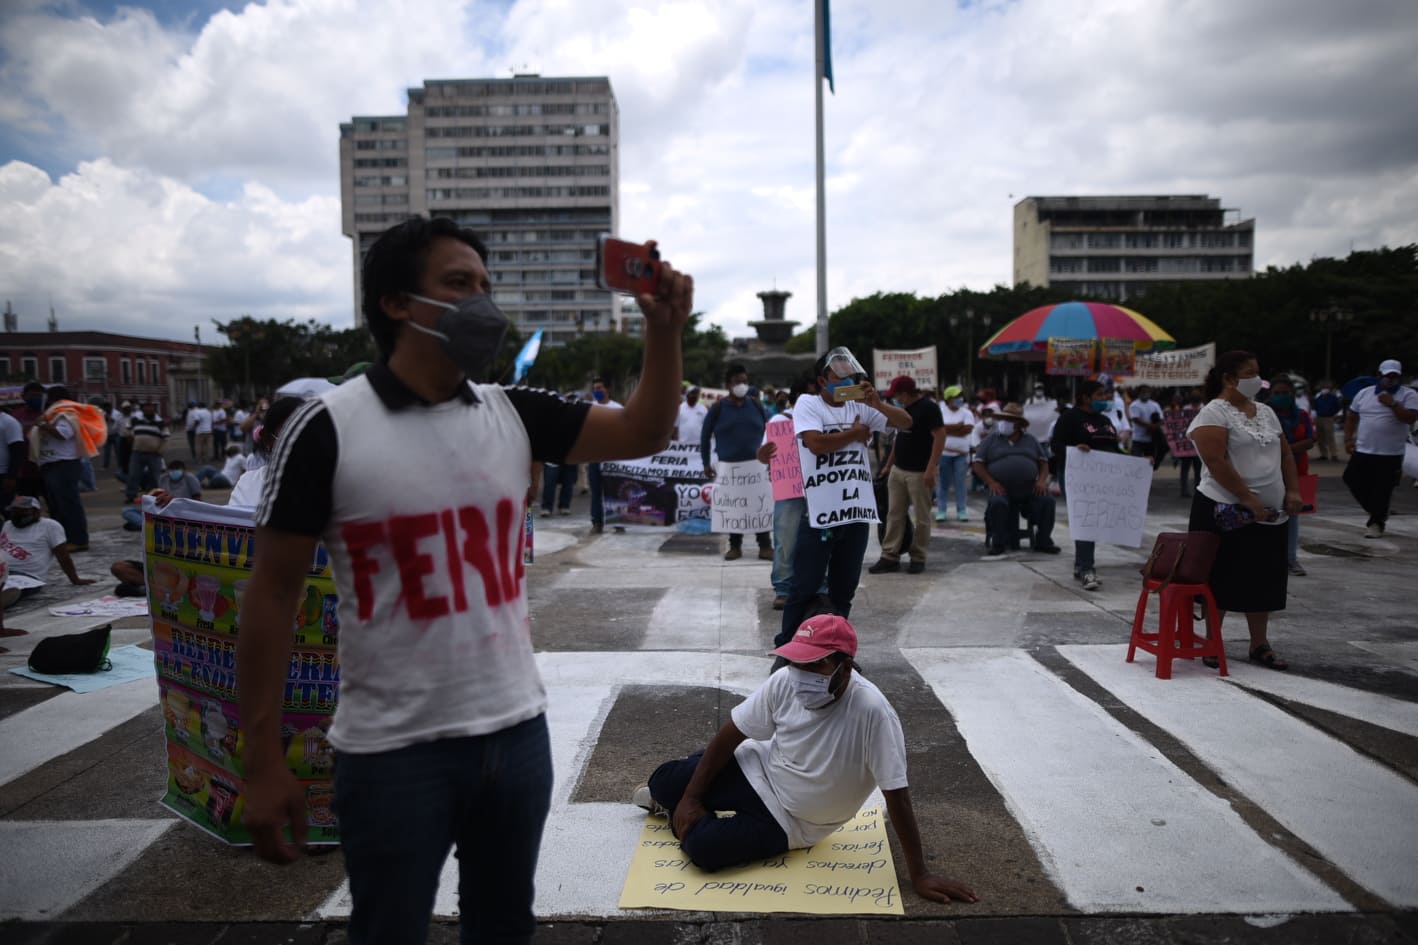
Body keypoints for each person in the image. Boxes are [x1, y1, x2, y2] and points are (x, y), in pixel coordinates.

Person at [235, 216, 692, 945]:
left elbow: (643, 431)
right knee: (390, 929)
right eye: (458, 284)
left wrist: (665, 330)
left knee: (505, 925)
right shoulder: (326, 427)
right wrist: (259, 758)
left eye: (484, 284)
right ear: (395, 303)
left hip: (516, 736)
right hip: (392, 751)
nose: (482, 301)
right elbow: (270, 595)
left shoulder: (511, 411)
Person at [633, 614, 978, 904]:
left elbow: (897, 794)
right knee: (662, 782)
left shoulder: (873, 713)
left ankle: (692, 808)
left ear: (844, 667)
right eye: (796, 661)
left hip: (793, 821)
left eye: (815, 664)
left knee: (703, 849)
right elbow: (733, 732)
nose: (801, 673)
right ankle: (689, 796)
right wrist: (691, 798)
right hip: (759, 768)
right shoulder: (784, 680)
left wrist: (920, 874)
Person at [1186, 350, 1303, 671]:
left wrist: (1292, 490)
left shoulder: (1265, 412)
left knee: (1264, 576)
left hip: (1271, 512)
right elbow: (1216, 461)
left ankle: (1259, 643)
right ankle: (1213, 640)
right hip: (1225, 507)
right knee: (1221, 574)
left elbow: (1286, 456)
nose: (1256, 379)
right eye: (1250, 373)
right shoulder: (1213, 413)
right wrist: (1247, 498)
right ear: (1229, 378)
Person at [756, 376, 819, 610]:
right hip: (790, 490)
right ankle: (783, 588)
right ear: (798, 398)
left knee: (821, 540)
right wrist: (763, 453)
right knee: (785, 539)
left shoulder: (822, 418)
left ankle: (820, 586)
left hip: (820, 489)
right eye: (811, 394)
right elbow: (764, 456)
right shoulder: (780, 420)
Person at [869, 376, 944, 574]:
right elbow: (899, 438)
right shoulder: (903, 411)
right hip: (899, 470)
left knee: (921, 517)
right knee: (894, 514)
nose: (895, 399)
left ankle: (918, 556)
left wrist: (931, 468)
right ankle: (889, 555)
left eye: (896, 396)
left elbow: (940, 437)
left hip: (920, 472)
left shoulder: (929, 408)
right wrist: (888, 465)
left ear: (904, 393)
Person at [1051, 380, 1120, 591]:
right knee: (1086, 519)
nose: (1103, 399)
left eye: (1105, 395)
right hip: (1077, 476)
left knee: (1094, 520)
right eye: (1099, 395)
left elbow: (1115, 448)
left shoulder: (1105, 419)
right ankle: (1086, 568)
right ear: (1085, 397)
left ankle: (1081, 563)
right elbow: (1056, 446)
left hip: (1103, 479)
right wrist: (1074, 449)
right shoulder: (1069, 418)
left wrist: (1140, 461)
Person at [701, 365, 771, 561]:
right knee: (734, 509)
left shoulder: (757, 405)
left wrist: (771, 458)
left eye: (745, 381)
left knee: (760, 507)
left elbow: (769, 430)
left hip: (757, 467)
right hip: (729, 469)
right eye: (738, 381)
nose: (742, 385)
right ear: (728, 385)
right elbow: (705, 436)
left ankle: (765, 546)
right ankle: (735, 547)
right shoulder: (718, 408)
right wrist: (706, 462)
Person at [1343, 359, 1418, 539]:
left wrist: (1392, 404)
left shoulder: (1408, 395)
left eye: (1394, 376)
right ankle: (1377, 511)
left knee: (1382, 488)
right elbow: (1352, 417)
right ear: (1378, 376)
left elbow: (1409, 419)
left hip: (1390, 452)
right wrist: (1348, 439)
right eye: (1387, 376)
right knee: (1351, 479)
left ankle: (1376, 522)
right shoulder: (1364, 394)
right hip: (1364, 449)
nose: (1390, 380)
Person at [971, 403, 1059, 557]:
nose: (1005, 423)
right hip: (1000, 488)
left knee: (1047, 501)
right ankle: (999, 543)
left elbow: (1043, 462)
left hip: (1028, 488)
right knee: (997, 503)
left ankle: (1044, 541)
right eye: (1004, 419)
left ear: (1018, 424)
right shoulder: (991, 439)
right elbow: (978, 463)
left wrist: (1041, 481)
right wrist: (991, 482)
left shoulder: (1031, 440)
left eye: (1010, 420)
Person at [34, 385, 103, 552]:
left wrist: (43, 425)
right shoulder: (54, 415)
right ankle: (61, 540)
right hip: (51, 463)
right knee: (56, 505)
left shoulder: (67, 415)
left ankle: (78, 539)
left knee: (68, 504)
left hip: (65, 463)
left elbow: (62, 434)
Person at [0, 496, 95, 608]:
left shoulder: (50, 526)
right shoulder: (8, 525)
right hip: (3, 569)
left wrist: (75, 579)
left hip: (26, 576)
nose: (17, 514)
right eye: (14, 510)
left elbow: (63, 556)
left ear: (36, 511)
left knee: (10, 590)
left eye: (23, 510)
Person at [1269, 377, 1314, 576]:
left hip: (1297, 469)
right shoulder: (1263, 413)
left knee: (1292, 514)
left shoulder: (1302, 415)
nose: (1281, 397)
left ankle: (1290, 559)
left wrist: (1287, 450)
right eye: (1277, 393)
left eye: (1285, 392)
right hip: (1269, 469)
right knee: (1268, 512)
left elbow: (1310, 440)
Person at [226, 397, 304, 507]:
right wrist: (256, 413)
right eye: (287, 435)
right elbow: (242, 427)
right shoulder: (248, 483)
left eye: (306, 435)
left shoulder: (327, 483)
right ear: (268, 440)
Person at [586, 376, 621, 534]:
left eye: (599, 388)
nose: (596, 391)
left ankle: (618, 521)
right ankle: (597, 522)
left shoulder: (617, 408)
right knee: (596, 491)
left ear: (608, 389)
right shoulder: (588, 408)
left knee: (614, 490)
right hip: (594, 456)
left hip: (613, 457)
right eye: (594, 389)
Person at [935, 385, 974, 523]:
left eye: (960, 396)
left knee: (960, 483)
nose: (959, 399)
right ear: (949, 398)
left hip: (961, 454)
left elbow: (968, 429)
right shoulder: (940, 411)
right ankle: (941, 510)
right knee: (943, 483)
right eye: (956, 397)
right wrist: (958, 426)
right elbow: (939, 429)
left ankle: (962, 510)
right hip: (944, 453)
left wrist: (948, 430)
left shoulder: (966, 412)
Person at [124, 404, 169, 501]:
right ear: (143, 411)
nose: (148, 411)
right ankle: (131, 496)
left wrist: (160, 451)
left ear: (154, 411)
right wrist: (131, 440)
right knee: (133, 475)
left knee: (154, 476)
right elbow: (127, 430)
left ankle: (154, 496)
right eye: (146, 409)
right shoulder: (136, 419)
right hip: (137, 452)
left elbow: (165, 438)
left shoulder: (160, 422)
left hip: (154, 454)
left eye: (151, 409)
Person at [1128, 385, 1165, 468]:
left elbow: (1162, 419)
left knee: (1149, 463)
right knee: (1135, 461)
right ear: (1139, 393)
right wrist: (1150, 426)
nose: (1145, 393)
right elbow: (1135, 419)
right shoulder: (1134, 405)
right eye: (1143, 391)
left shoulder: (1155, 404)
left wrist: (1155, 427)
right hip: (1138, 439)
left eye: (1147, 391)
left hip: (1151, 440)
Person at [0, 407, 24, 513]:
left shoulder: (8, 422)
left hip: (3, 474)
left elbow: (17, 450)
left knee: (5, 509)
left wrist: (11, 476)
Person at [1311, 381, 1341, 461]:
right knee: (1320, 437)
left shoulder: (1333, 397)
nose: (1324, 389)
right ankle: (1323, 454)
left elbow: (1338, 406)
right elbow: (1315, 406)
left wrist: (1333, 414)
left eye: (1326, 388)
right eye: (1323, 388)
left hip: (1328, 418)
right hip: (1319, 418)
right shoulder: (1319, 397)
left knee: (1330, 437)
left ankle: (1334, 454)